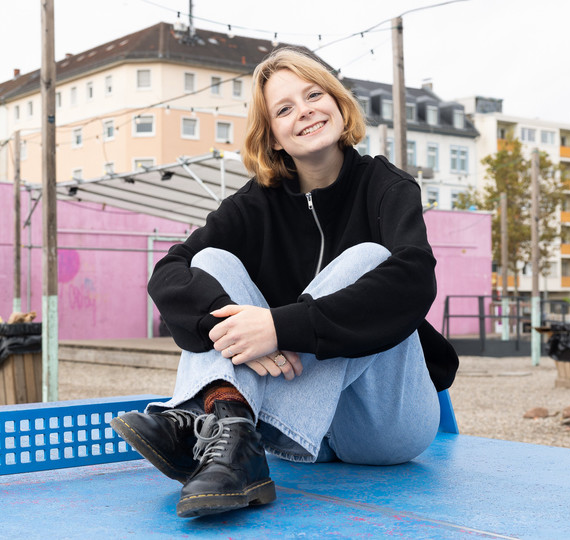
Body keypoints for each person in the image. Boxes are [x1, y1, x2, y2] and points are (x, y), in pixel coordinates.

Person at [111, 47, 458, 519]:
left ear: (338, 103)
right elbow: (168, 273)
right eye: (284, 108)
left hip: (382, 427)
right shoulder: (254, 205)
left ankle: (204, 419)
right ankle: (232, 425)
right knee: (211, 260)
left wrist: (279, 328)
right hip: (293, 441)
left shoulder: (385, 185)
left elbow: (414, 280)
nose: (305, 111)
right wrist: (243, 326)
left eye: (314, 94)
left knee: (371, 258)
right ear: (272, 135)